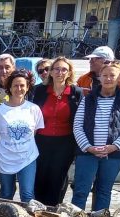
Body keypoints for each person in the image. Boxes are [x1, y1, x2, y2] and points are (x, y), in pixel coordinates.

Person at [72, 61, 120, 211]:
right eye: (105, 75)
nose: (108, 79)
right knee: (81, 191)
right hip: (87, 153)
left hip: (113, 155)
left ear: (119, 78)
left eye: (112, 75)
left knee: (103, 191)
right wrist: (88, 147)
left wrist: (114, 146)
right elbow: (77, 126)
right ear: (99, 77)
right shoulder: (88, 99)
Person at [31, 56, 83, 206]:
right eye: (57, 69)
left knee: (58, 178)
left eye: (64, 69)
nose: (60, 72)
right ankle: (38, 211)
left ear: (69, 73)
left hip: (65, 143)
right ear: (51, 72)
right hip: (41, 141)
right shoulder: (39, 91)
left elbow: (79, 119)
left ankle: (53, 210)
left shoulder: (76, 92)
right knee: (40, 176)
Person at [0, 69, 44, 203]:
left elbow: (35, 132)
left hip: (27, 157)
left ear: (27, 88)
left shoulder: (34, 109)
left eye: (22, 85)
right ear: (9, 87)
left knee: (27, 194)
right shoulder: (0, 111)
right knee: (6, 193)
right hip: (5, 157)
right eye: (15, 85)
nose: (19, 88)